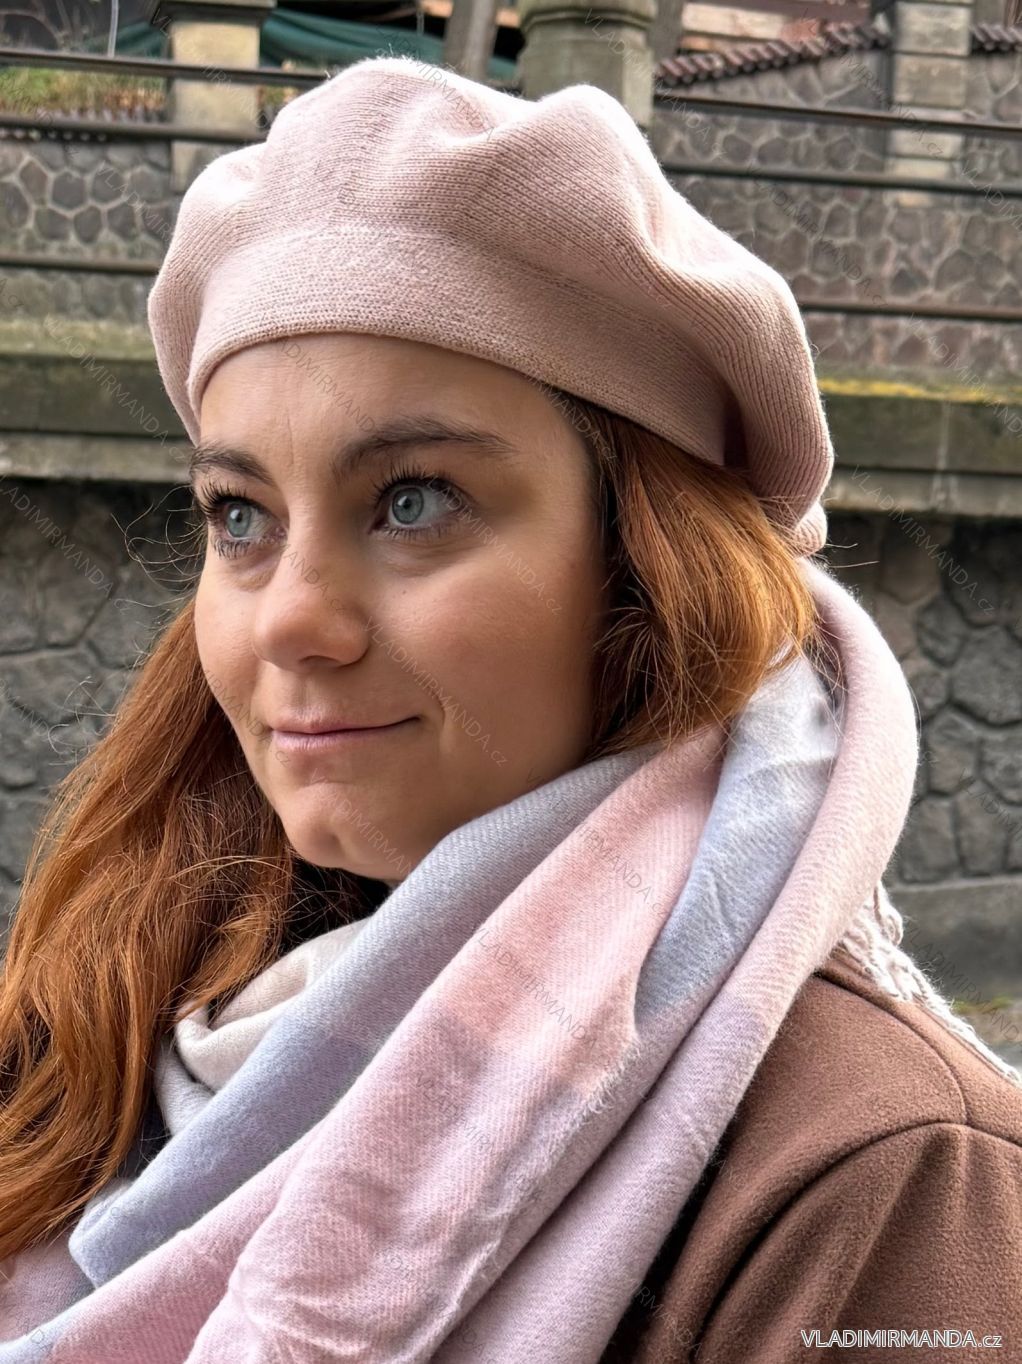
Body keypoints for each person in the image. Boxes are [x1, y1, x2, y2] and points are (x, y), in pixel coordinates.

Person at [1, 54, 1019, 1364]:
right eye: (239, 516)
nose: (289, 619)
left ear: (643, 572)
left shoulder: (888, 1186)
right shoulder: (113, 1021)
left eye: (413, 500)